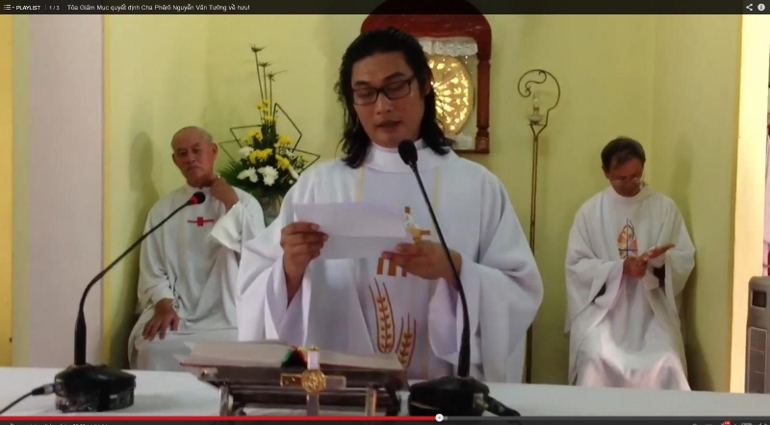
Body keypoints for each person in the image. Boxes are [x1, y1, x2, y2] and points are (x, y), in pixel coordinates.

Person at [220, 27, 544, 382]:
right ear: (352, 102)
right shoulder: (320, 184)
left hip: (439, 395)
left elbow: (519, 289)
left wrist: (456, 269)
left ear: (423, 84)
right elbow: (254, 285)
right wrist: (290, 268)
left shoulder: (479, 187)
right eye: (365, 93)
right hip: (339, 394)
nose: (383, 105)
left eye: (395, 86)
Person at [128, 126, 265, 371]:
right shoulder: (163, 208)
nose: (190, 158)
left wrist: (231, 203)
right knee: (152, 347)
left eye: (196, 150)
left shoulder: (244, 202)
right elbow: (152, 266)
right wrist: (163, 304)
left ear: (213, 151)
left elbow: (259, 257)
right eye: (182, 153)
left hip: (229, 310)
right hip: (179, 309)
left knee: (242, 345)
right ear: (175, 161)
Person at [565, 136, 694, 389]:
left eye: (635, 176)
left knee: (668, 360)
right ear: (605, 173)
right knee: (594, 359)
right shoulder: (590, 212)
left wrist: (657, 265)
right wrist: (619, 268)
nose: (629, 184)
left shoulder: (664, 208)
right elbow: (576, 265)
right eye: (621, 178)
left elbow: (684, 258)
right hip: (604, 317)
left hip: (651, 313)